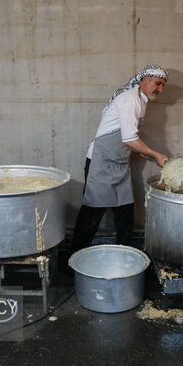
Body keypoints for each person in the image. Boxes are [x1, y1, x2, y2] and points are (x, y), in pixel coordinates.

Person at [68, 65, 169, 256]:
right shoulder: (130, 100)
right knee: (91, 214)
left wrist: (143, 152)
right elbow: (129, 139)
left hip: (119, 162)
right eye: (158, 83)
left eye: (163, 85)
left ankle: (125, 256)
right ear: (145, 80)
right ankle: (73, 259)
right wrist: (155, 154)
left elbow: (129, 135)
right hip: (101, 162)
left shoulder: (141, 100)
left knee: (125, 213)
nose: (160, 89)